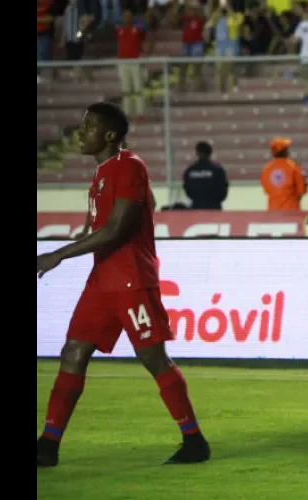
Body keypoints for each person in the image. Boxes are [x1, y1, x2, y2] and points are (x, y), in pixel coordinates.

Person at [36, 102, 210, 466]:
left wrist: (59, 254)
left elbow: (115, 230)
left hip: (131, 279)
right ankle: (48, 446)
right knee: (73, 352)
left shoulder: (128, 166)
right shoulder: (102, 173)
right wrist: (78, 240)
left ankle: (194, 440)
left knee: (153, 357)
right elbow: (98, 228)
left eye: (89, 127)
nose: (80, 133)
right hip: (102, 281)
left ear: (110, 134)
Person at [261, 137, 308, 211]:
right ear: (285, 151)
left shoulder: (266, 169)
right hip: (292, 211)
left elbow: (266, 190)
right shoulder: (294, 167)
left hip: (272, 212)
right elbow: (302, 190)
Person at [183, 142, 229, 210]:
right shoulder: (218, 170)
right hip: (214, 207)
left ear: (197, 153)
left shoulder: (190, 170)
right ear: (210, 153)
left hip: (196, 206)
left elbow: (187, 188)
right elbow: (223, 189)